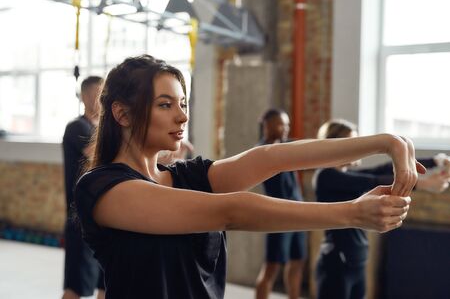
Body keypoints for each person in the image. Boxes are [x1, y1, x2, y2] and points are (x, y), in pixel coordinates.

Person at [74, 54, 424, 299]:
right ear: (121, 113)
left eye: (183, 104)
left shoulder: (183, 176)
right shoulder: (104, 189)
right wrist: (352, 213)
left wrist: (386, 142)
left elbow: (270, 157)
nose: (182, 117)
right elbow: (233, 211)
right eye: (165, 105)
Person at [313, 119, 450, 299]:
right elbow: (373, 181)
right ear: (338, 146)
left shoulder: (346, 173)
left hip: (357, 261)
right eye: (352, 143)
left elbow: (383, 169)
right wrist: (424, 184)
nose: (358, 149)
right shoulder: (325, 176)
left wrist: (434, 160)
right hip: (336, 264)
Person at [255, 109, 307, 299]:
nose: (286, 128)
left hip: (298, 215)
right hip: (278, 218)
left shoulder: (286, 145)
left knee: (297, 261)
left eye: (287, 124)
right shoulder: (261, 151)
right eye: (281, 124)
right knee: (272, 267)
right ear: (267, 126)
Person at [62, 76, 105, 299]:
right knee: (76, 287)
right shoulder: (77, 127)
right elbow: (97, 154)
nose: (104, 99)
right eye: (100, 94)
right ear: (88, 96)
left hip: (102, 215)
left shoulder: (104, 129)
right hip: (79, 216)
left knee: (106, 283)